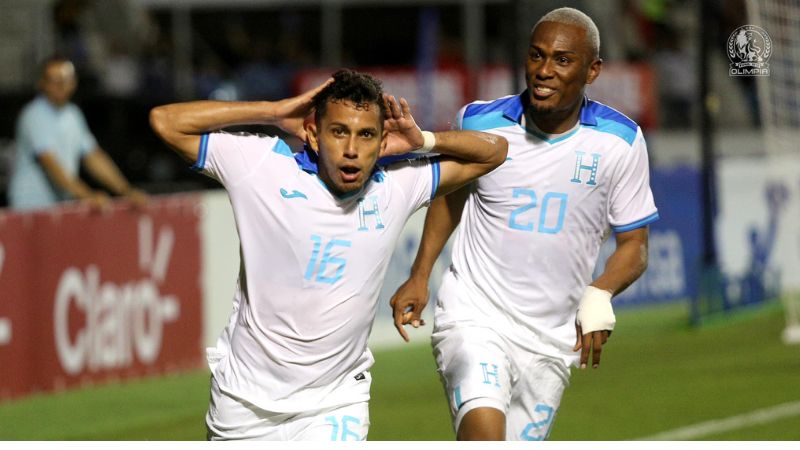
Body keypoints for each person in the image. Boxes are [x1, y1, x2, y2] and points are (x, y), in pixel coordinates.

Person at [148, 69, 507, 441]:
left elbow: (495, 151)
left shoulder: (397, 184)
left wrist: (424, 140)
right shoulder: (262, 165)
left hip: (336, 404)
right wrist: (272, 111)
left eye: (366, 134)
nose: (352, 149)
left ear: (383, 141)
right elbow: (165, 122)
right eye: (339, 132)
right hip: (244, 403)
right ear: (313, 134)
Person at [389, 7, 659, 441]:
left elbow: (635, 245)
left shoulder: (620, 141)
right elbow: (448, 200)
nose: (544, 71)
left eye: (562, 60)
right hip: (475, 316)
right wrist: (420, 275)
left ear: (593, 71)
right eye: (536, 56)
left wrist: (600, 291)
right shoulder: (480, 122)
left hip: (551, 340)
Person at [8, 56, 147, 210]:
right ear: (42, 83)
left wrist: (125, 190)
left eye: (66, 79)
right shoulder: (34, 114)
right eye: (54, 80)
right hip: (30, 207)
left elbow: (93, 156)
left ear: (74, 82)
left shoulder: (73, 114)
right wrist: (87, 196)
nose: (61, 85)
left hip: (59, 205)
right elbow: (51, 164)